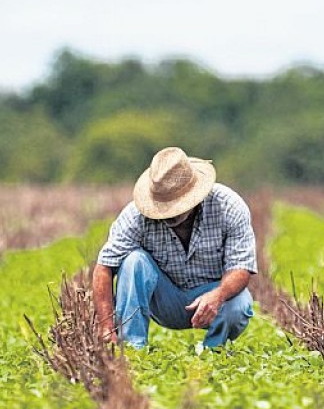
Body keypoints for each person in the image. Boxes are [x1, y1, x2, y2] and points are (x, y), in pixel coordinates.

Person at [93, 147, 257, 350]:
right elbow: (104, 267)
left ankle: (213, 352)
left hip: (212, 294)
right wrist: (106, 327)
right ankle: (132, 349)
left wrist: (218, 295)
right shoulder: (135, 216)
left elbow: (241, 268)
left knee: (239, 304)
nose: (169, 213)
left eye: (176, 205)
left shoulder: (229, 207)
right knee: (133, 261)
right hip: (164, 300)